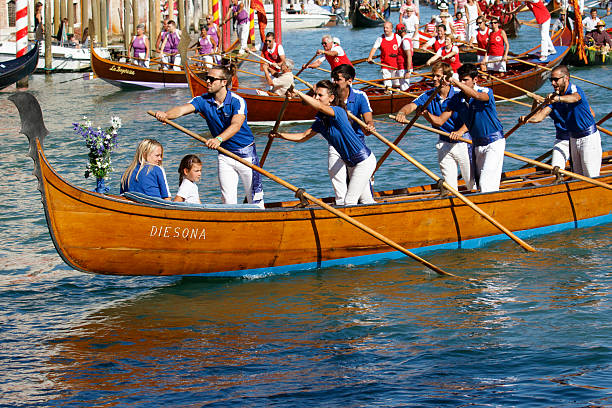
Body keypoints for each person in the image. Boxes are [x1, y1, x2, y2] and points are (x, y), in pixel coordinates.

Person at [154, 65, 265, 207]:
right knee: (228, 201)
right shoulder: (202, 100)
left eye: (212, 79)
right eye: (207, 78)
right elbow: (182, 109)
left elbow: (236, 125)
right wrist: (166, 115)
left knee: (255, 198)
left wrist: (219, 139)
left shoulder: (238, 101)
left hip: (246, 155)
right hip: (225, 155)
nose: (207, 81)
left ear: (224, 82)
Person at [270, 80, 377, 206]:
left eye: (320, 95)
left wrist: (298, 92)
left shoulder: (338, 111)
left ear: (331, 98)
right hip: (352, 164)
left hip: (364, 161)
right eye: (315, 95)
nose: (316, 98)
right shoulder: (321, 121)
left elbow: (319, 106)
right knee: (366, 200)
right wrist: (280, 135)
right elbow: (303, 136)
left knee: (349, 202)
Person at [395, 62, 474, 190]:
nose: (434, 79)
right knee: (451, 186)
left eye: (438, 76)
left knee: (471, 182)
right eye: (433, 76)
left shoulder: (460, 94)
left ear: (447, 78)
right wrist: (401, 113)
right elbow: (411, 106)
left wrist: (460, 131)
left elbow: (473, 117)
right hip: (443, 143)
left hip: (463, 142)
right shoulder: (428, 95)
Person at [428, 63, 505, 192]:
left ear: (475, 80)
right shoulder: (457, 99)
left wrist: (455, 82)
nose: (463, 82)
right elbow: (440, 121)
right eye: (461, 79)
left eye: (465, 80)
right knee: (480, 184)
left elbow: (477, 96)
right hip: (476, 145)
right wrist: (424, 113)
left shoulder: (485, 91)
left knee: (486, 184)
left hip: (494, 143)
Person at [519, 65, 602, 176]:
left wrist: (558, 99)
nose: (553, 83)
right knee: (577, 177)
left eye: (556, 80)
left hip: (588, 138)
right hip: (573, 139)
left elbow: (575, 98)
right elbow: (540, 116)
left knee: (591, 176)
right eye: (551, 80)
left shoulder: (574, 89)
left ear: (566, 78)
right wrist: (527, 119)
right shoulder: (554, 98)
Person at [326, 64, 376, 204]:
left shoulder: (360, 96)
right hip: (336, 146)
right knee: (340, 191)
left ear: (349, 81)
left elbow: (368, 121)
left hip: (356, 147)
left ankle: (367, 205)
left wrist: (369, 127)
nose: (334, 82)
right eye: (333, 79)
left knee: (363, 193)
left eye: (338, 79)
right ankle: (342, 207)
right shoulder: (329, 97)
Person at [367, 22, 403, 89]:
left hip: (396, 66)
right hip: (385, 66)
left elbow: (402, 51)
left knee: (397, 85)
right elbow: (374, 48)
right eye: (384, 28)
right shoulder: (380, 38)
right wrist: (370, 57)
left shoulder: (397, 37)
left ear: (391, 29)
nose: (385, 29)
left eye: (387, 28)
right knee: (387, 86)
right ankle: (388, 93)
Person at [396, 24, 414, 91]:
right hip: (403, 68)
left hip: (404, 68)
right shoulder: (407, 39)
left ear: (398, 31)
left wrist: (408, 71)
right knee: (403, 86)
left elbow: (409, 56)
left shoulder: (405, 41)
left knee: (404, 88)